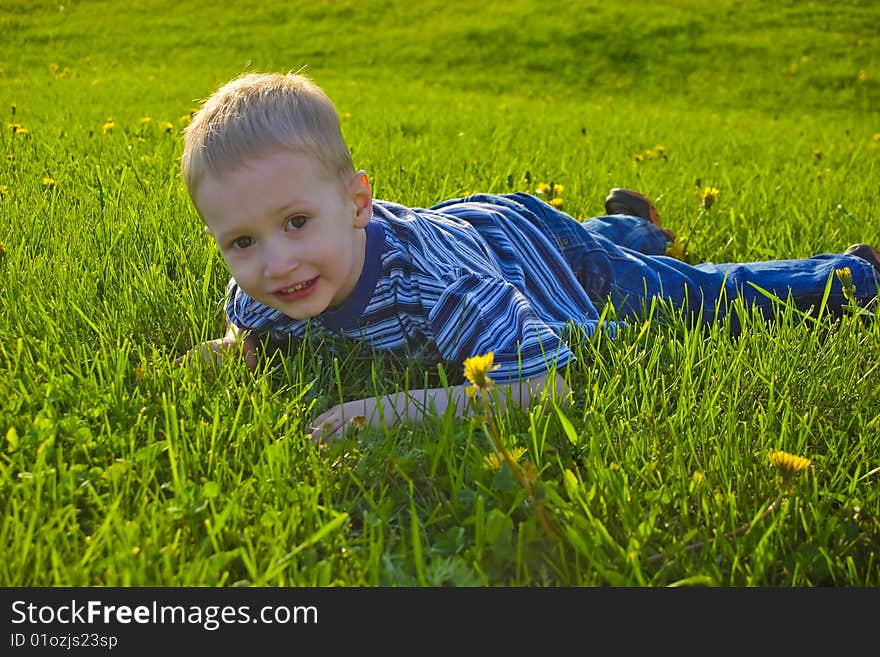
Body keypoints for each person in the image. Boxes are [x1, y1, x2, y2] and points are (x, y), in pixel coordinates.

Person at [178, 71, 880, 441]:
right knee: (612, 250)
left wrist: (386, 411)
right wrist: (230, 348)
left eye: (296, 221)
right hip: (492, 237)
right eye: (242, 241)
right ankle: (626, 223)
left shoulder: (434, 284)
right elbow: (251, 330)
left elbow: (543, 386)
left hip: (527, 248)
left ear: (359, 203)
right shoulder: (265, 287)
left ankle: (851, 274)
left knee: (685, 295)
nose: (274, 263)